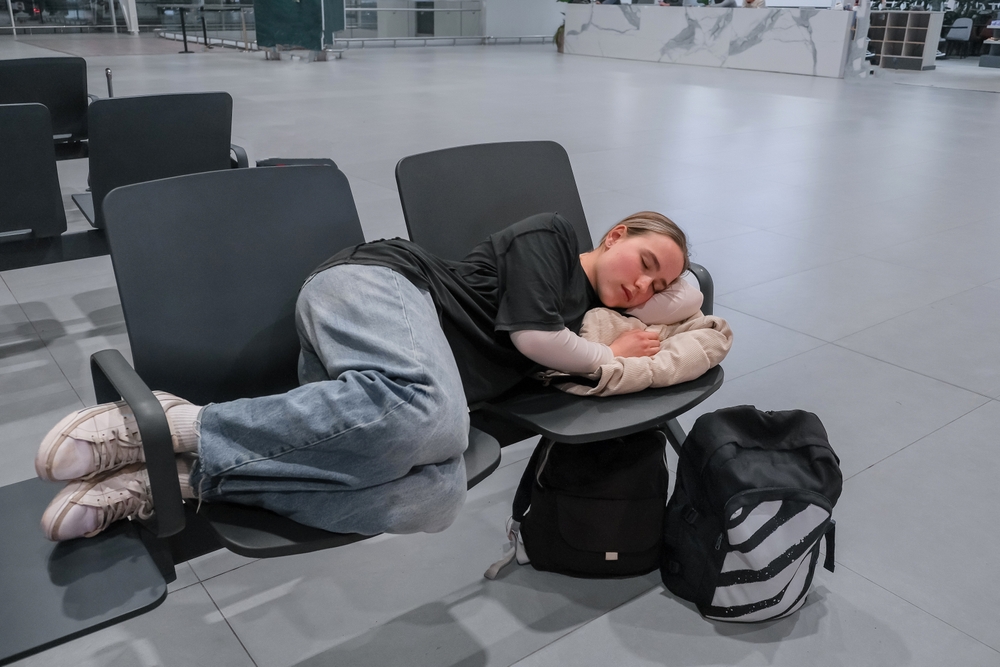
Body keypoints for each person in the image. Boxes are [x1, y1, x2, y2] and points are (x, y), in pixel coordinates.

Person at [35, 211, 702, 542]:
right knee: (437, 420)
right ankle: (163, 426)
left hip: (379, 393)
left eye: (657, 283)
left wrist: (647, 315)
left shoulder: (590, 321)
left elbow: (689, 307)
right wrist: (618, 358)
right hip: (377, 290)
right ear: (613, 236)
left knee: (439, 496)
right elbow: (534, 339)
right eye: (644, 260)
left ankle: (184, 478)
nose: (644, 283)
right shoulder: (551, 239)